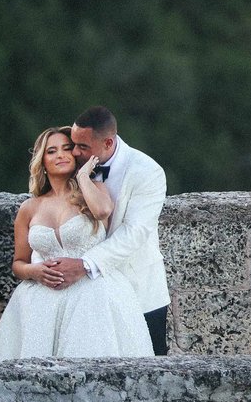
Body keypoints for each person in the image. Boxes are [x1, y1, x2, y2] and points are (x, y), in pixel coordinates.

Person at [0, 127, 154, 359]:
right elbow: (19, 263)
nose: (61, 155)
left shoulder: (94, 191)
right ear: (42, 161)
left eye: (67, 149)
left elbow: (104, 210)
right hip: (40, 301)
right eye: (52, 151)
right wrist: (35, 271)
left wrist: (84, 176)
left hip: (93, 294)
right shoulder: (29, 208)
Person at [41, 106, 172, 355]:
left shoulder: (147, 172)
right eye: (74, 144)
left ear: (108, 142)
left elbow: (135, 233)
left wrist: (83, 264)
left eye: (83, 147)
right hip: (83, 299)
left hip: (138, 290)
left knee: (148, 373)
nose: (75, 152)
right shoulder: (73, 168)